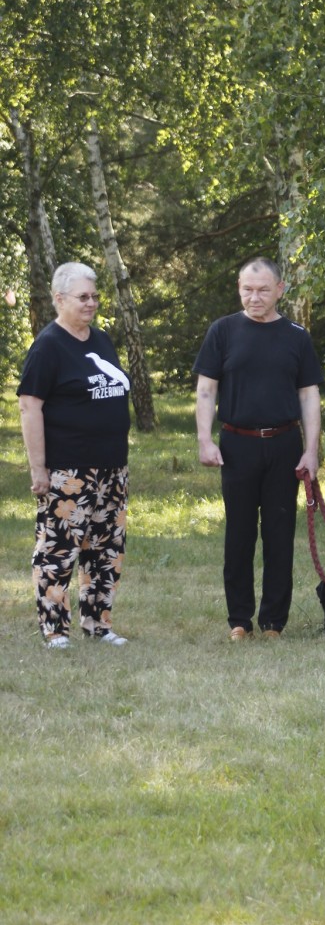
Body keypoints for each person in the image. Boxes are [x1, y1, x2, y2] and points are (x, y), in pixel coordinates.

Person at [194, 258, 323, 640]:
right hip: (238, 444)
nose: (254, 297)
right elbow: (206, 389)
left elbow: (309, 395)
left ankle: (273, 623)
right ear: (238, 287)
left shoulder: (297, 336)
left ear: (280, 289)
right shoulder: (222, 331)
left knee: (280, 534)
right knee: (239, 535)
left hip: (284, 444)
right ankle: (239, 621)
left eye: (263, 290)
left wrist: (311, 450)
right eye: (247, 290)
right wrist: (204, 438)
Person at [17, 262, 131, 648]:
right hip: (69, 470)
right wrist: (39, 470)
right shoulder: (48, 346)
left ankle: (99, 625)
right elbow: (30, 407)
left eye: (95, 296)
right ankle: (54, 630)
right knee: (58, 552)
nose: (92, 303)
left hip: (112, 469)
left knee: (106, 550)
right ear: (59, 299)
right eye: (83, 297)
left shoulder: (101, 341)